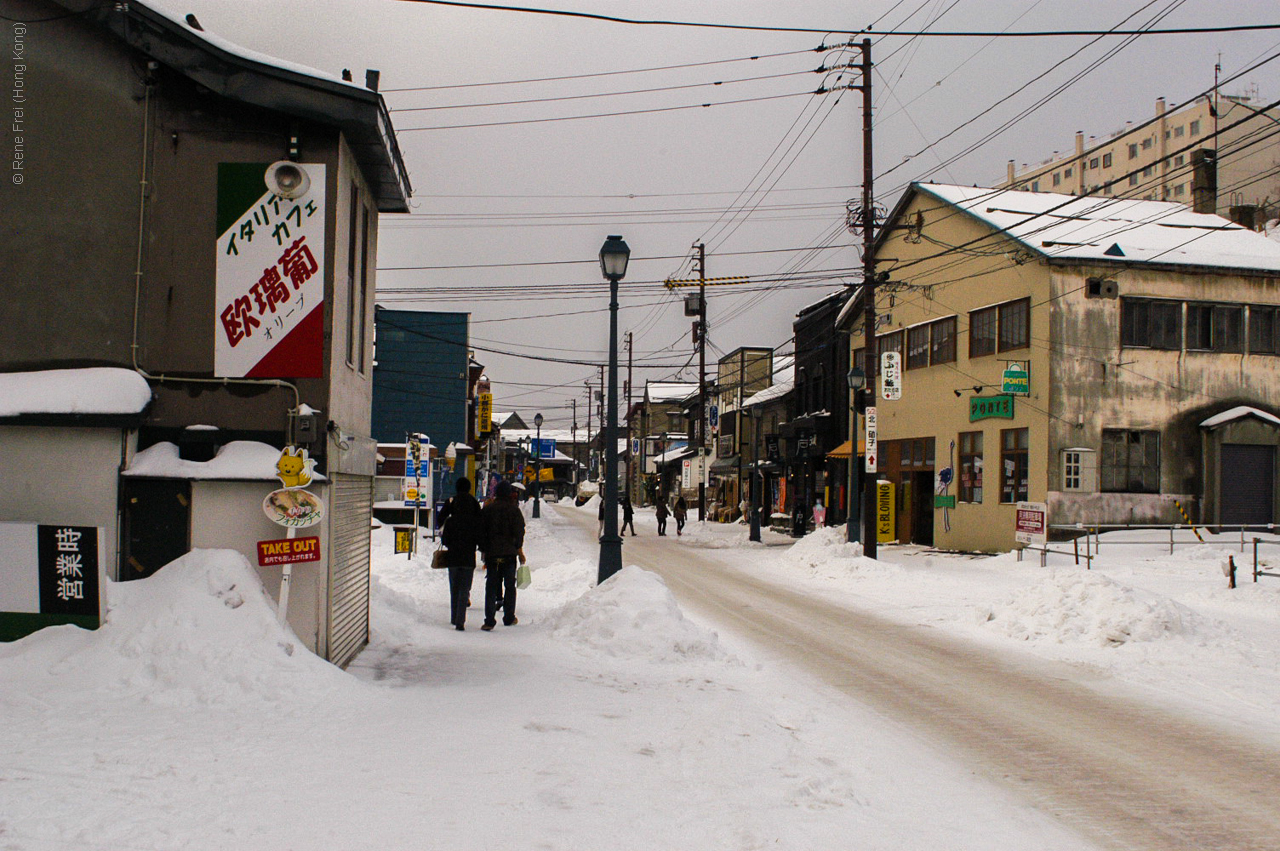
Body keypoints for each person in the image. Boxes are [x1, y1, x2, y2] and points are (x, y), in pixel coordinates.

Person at [479, 480, 525, 631]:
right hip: (509, 555)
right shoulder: (514, 511)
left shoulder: (488, 509)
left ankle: (489, 620)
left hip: (493, 555)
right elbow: (519, 532)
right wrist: (516, 546)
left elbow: (482, 531)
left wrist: (484, 548)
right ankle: (509, 617)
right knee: (510, 585)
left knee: (491, 585)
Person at [438, 477, 483, 630]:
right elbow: (480, 529)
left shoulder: (451, 518)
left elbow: (442, 529)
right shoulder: (474, 508)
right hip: (468, 556)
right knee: (465, 588)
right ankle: (460, 620)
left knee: (454, 587)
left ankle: (454, 617)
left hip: (453, 556)